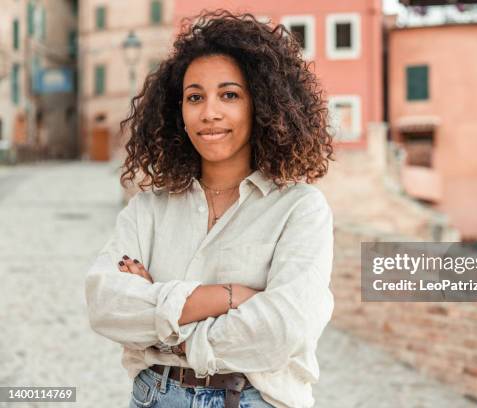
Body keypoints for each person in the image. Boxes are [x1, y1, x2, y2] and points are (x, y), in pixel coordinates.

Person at [84, 9, 335, 408]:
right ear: (177, 112)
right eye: (195, 97)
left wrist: (160, 321)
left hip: (254, 399)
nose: (209, 113)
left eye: (229, 95)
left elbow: (284, 330)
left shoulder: (299, 209)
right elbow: (106, 305)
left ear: (262, 106)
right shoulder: (148, 209)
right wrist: (230, 296)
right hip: (152, 397)